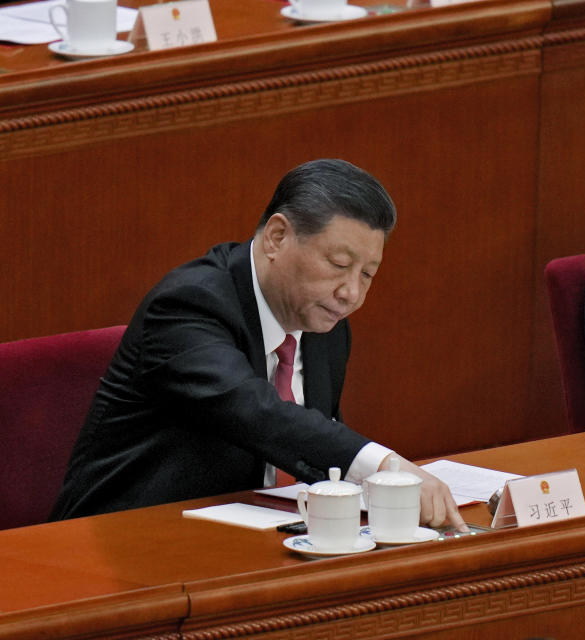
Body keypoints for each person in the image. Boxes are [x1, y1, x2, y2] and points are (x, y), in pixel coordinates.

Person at [51, 159, 467, 531]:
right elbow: (256, 411)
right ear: (277, 237)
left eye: (368, 274)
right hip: (125, 545)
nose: (351, 293)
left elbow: (312, 448)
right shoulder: (188, 304)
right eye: (339, 266)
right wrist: (383, 466)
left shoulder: (325, 324)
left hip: (255, 542)